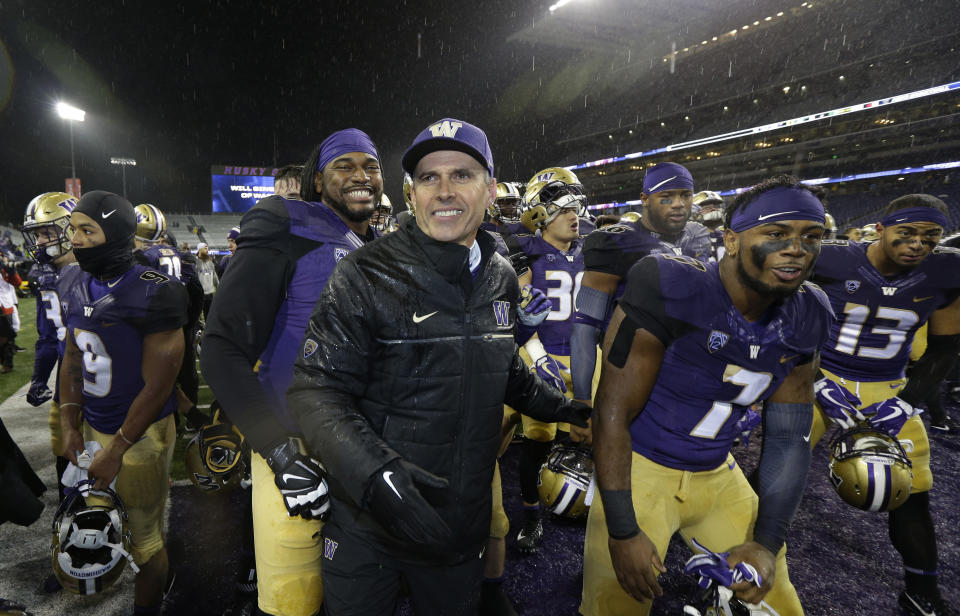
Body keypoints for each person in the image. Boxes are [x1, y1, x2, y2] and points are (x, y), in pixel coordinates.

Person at [286, 118, 590, 616]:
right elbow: (315, 393)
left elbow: (501, 367)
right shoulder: (363, 272)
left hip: (458, 522)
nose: (444, 191)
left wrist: (566, 409)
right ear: (411, 193)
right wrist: (379, 479)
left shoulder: (499, 274)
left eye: (462, 175)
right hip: (369, 525)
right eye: (430, 177)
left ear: (490, 189)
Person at [582, 175, 834, 616]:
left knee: (780, 604)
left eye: (811, 236)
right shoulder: (671, 286)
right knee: (615, 607)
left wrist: (767, 543)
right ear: (732, 241)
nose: (797, 248)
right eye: (776, 233)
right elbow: (613, 414)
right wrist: (622, 530)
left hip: (719, 472)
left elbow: (788, 439)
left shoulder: (808, 312)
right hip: (642, 467)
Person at [201, 128, 385, 616]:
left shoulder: (385, 245)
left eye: (371, 166)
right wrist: (281, 454)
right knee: (292, 604)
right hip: (295, 444)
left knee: (362, 599)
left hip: (368, 448)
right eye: (345, 165)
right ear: (317, 179)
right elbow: (221, 347)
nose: (361, 175)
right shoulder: (287, 221)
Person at [808, 193, 960, 615]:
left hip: (887, 384)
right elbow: (788, 316)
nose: (918, 244)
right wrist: (816, 380)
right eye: (907, 233)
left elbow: (945, 349)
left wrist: (907, 403)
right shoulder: (831, 259)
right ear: (881, 230)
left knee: (910, 490)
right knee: (780, 466)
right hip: (821, 372)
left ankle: (922, 592)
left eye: (930, 237)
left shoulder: (947, 271)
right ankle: (739, 548)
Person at [57, 190, 187, 616]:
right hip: (95, 422)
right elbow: (73, 356)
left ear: (114, 234)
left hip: (141, 433)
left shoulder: (155, 291)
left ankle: (152, 603)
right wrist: (71, 423)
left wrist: (117, 450)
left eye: (87, 230)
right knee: (100, 524)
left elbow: (158, 386)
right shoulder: (73, 279)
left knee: (145, 540)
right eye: (72, 229)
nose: (74, 238)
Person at [570, 162, 711, 439]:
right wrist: (582, 397)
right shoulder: (615, 243)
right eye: (666, 197)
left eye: (686, 195)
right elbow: (585, 325)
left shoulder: (698, 238)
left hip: (686, 376)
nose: (679, 204)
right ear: (644, 199)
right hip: (629, 374)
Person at [508, 172, 593, 554]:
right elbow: (525, 310)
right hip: (541, 352)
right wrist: (539, 359)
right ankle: (530, 517)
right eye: (565, 209)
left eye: (577, 207)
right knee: (538, 441)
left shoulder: (593, 251)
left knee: (596, 435)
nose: (574, 215)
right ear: (540, 212)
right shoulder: (524, 252)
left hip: (587, 355)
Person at [195, 242, 218, 320]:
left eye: (207, 248)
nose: (207, 250)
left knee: (209, 315)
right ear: (199, 250)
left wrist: (219, 287)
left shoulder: (210, 262)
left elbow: (214, 276)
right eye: (205, 248)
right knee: (197, 314)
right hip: (199, 293)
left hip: (209, 293)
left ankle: (207, 330)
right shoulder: (195, 262)